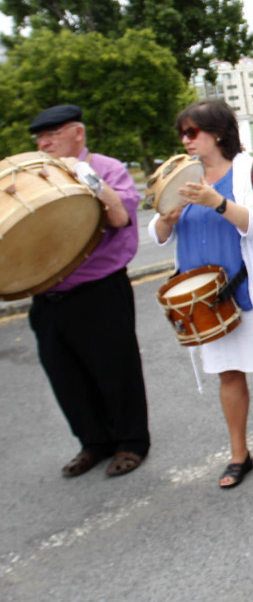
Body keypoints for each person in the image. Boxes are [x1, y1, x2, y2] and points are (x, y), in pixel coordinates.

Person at [149, 100, 253, 488]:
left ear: (217, 133)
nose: (186, 140)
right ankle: (239, 454)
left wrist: (216, 202)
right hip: (203, 301)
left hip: (246, 292)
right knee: (228, 376)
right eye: (182, 133)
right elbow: (157, 234)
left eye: (192, 132)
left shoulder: (246, 170)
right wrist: (167, 217)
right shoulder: (182, 175)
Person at [27, 104, 150, 478]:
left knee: (116, 369)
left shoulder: (106, 167)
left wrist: (87, 178)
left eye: (53, 134)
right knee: (66, 376)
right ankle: (93, 442)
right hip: (48, 296)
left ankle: (131, 442)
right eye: (39, 137)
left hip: (99, 291)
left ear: (77, 133)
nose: (44, 142)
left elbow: (118, 216)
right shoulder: (33, 175)